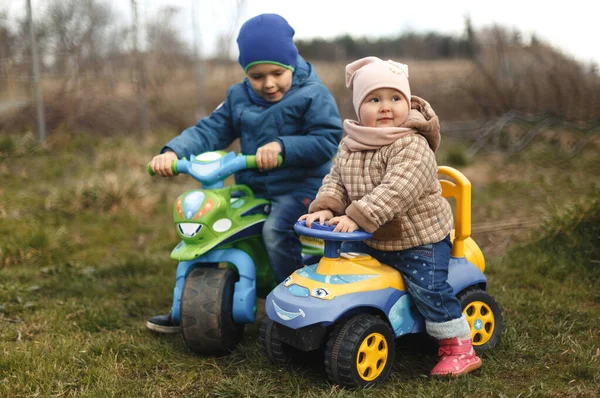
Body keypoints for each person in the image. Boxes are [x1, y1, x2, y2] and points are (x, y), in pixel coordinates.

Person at [147, 13, 343, 333]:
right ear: (246, 74)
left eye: (277, 73)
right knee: (212, 228)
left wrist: (283, 147)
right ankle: (184, 304)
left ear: (291, 63)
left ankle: (294, 304)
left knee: (275, 231)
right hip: (253, 187)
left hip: (302, 187)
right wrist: (173, 152)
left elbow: (326, 140)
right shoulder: (238, 97)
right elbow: (210, 129)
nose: (268, 83)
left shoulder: (312, 94)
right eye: (256, 75)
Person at [299, 56, 481, 377]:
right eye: (374, 99)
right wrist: (327, 205)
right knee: (351, 280)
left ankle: (459, 347)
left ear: (407, 103)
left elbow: (396, 190)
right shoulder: (352, 143)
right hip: (374, 237)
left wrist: (357, 216)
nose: (385, 107)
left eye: (395, 98)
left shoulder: (411, 145)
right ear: (359, 108)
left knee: (429, 289)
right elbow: (337, 180)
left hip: (418, 240)